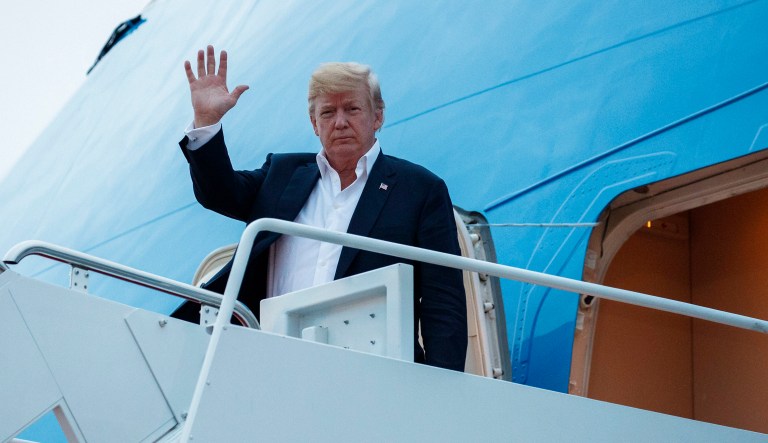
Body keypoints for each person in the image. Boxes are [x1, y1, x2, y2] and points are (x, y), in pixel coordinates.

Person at [176, 45, 467, 371]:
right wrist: (207, 123)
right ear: (314, 123)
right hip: (271, 364)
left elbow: (444, 302)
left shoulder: (419, 189)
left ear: (378, 116)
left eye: (352, 109)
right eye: (328, 113)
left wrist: (443, 387)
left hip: (375, 372)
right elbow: (218, 193)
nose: (340, 122)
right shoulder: (282, 174)